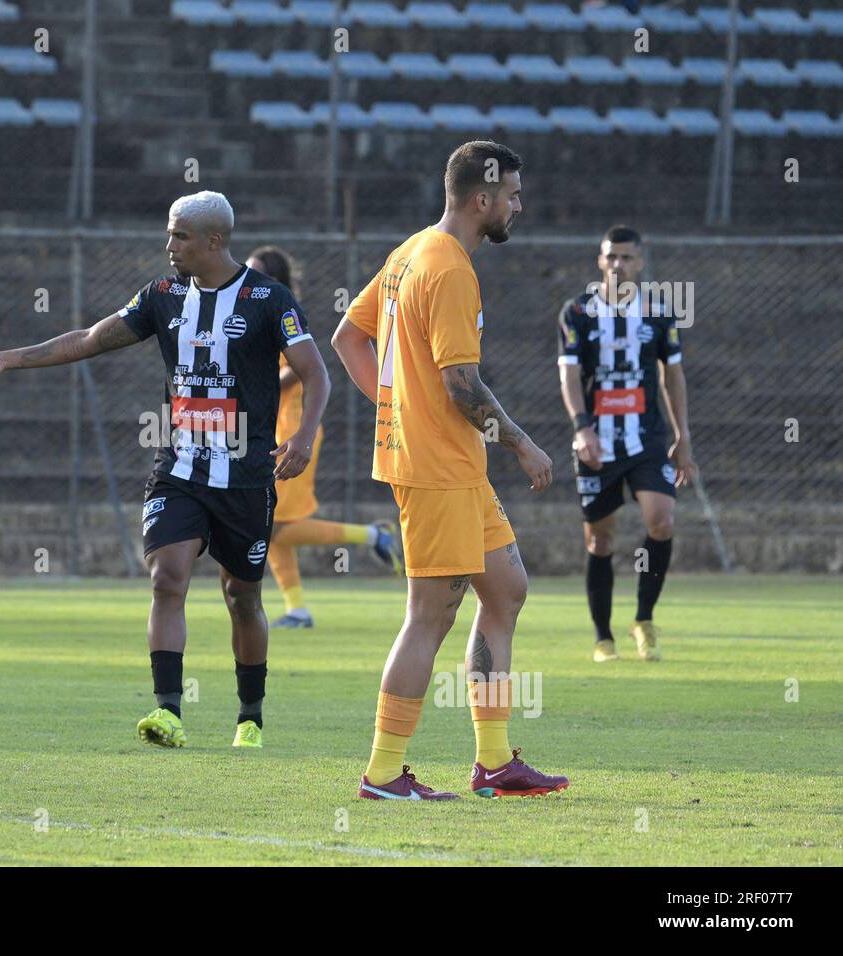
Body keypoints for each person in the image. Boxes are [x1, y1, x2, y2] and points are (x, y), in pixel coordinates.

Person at [0, 191, 330, 749]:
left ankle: (250, 716)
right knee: (168, 579)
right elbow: (91, 338)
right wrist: (8, 359)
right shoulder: (161, 296)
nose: (169, 246)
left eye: (179, 236)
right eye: (169, 234)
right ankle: (168, 711)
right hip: (178, 466)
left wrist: (303, 435)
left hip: (244, 477)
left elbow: (315, 372)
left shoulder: (267, 298)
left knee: (242, 597)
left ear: (214, 240)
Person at [331, 141, 569, 799]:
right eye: (513, 195)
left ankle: (494, 764)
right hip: (438, 468)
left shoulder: (409, 253)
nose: (518, 206)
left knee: (507, 588)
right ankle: (382, 774)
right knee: (430, 615)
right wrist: (522, 444)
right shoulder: (450, 269)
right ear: (482, 198)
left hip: (452, 468)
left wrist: (392, 405)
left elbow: (349, 337)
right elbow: (462, 386)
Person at [244, 245, 402, 631]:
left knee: (274, 526)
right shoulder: (250, 314)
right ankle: (298, 609)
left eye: (257, 273)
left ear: (276, 280)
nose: (248, 280)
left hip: (293, 429)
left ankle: (370, 536)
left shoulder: (284, 313)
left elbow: (303, 369)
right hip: (273, 427)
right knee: (272, 527)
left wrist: (256, 382)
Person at [558, 225, 695, 662]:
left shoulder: (658, 312)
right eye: (610, 257)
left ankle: (644, 619)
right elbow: (569, 376)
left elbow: (672, 376)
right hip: (597, 442)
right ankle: (603, 637)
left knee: (663, 520)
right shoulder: (576, 312)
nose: (618, 265)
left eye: (626, 258)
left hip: (647, 440)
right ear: (601, 261)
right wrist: (582, 428)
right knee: (600, 540)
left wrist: (683, 436)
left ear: (640, 262)